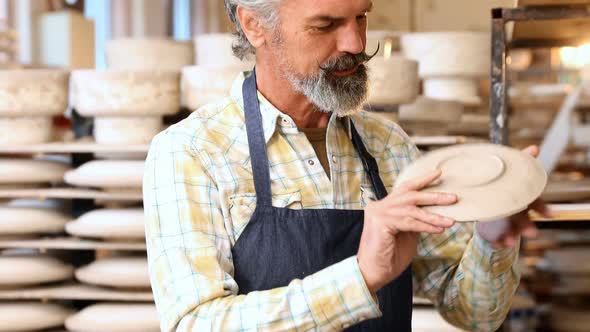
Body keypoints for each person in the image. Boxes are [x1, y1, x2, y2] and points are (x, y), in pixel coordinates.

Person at [143, 0, 549, 331]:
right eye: (325, 25)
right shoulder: (192, 152)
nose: (355, 42)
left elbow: (475, 314)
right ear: (254, 26)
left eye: (362, 16)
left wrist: (492, 238)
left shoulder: (388, 146)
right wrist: (361, 277)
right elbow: (195, 324)